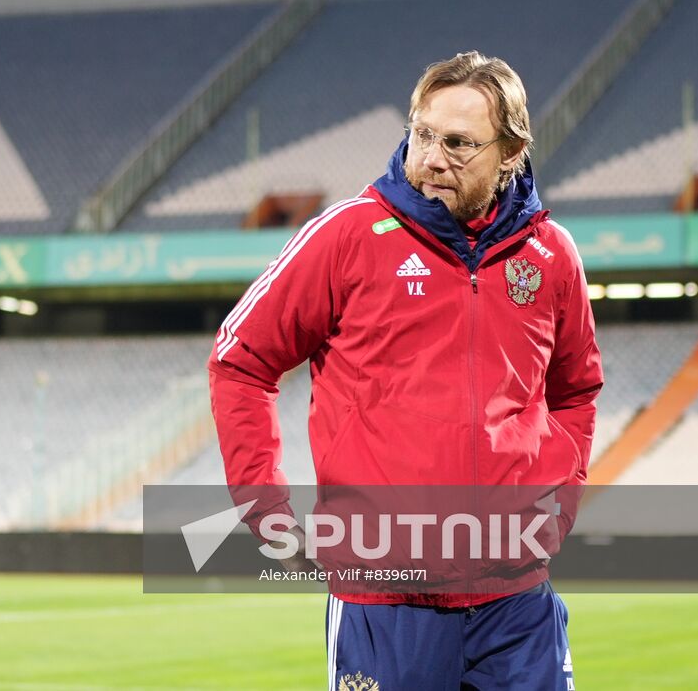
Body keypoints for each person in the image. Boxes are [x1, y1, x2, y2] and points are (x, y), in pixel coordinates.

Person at [208, 51, 602, 689]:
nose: (432, 157)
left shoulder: (551, 256)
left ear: (510, 153)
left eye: (458, 143)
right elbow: (240, 361)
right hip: (386, 604)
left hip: (517, 603)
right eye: (421, 134)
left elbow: (576, 390)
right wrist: (263, 503)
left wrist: (559, 502)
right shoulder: (347, 236)